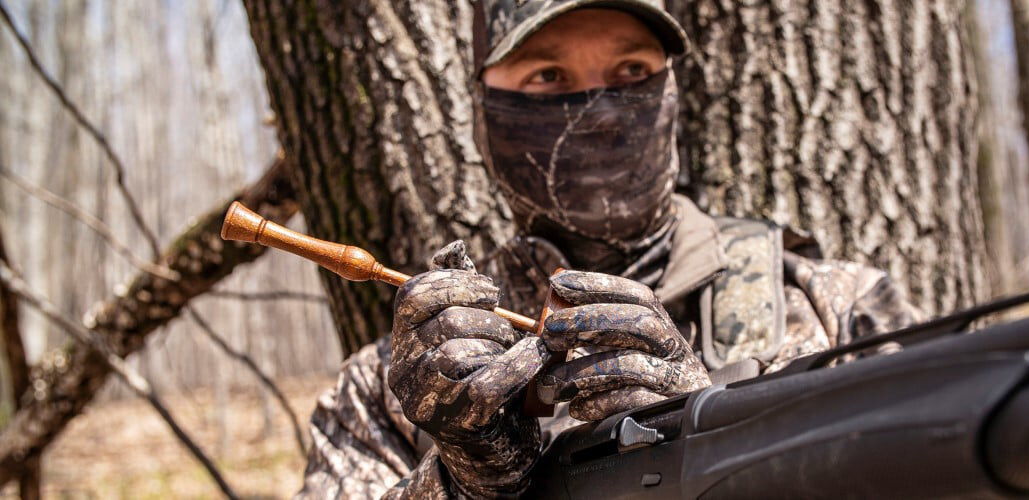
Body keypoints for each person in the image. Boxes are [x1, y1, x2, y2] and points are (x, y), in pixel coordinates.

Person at [298, 1, 924, 498]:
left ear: (672, 90)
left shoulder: (839, 314)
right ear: (485, 112)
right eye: (549, 77)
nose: (598, 113)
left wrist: (711, 446)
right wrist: (461, 483)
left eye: (630, 72)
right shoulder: (394, 393)